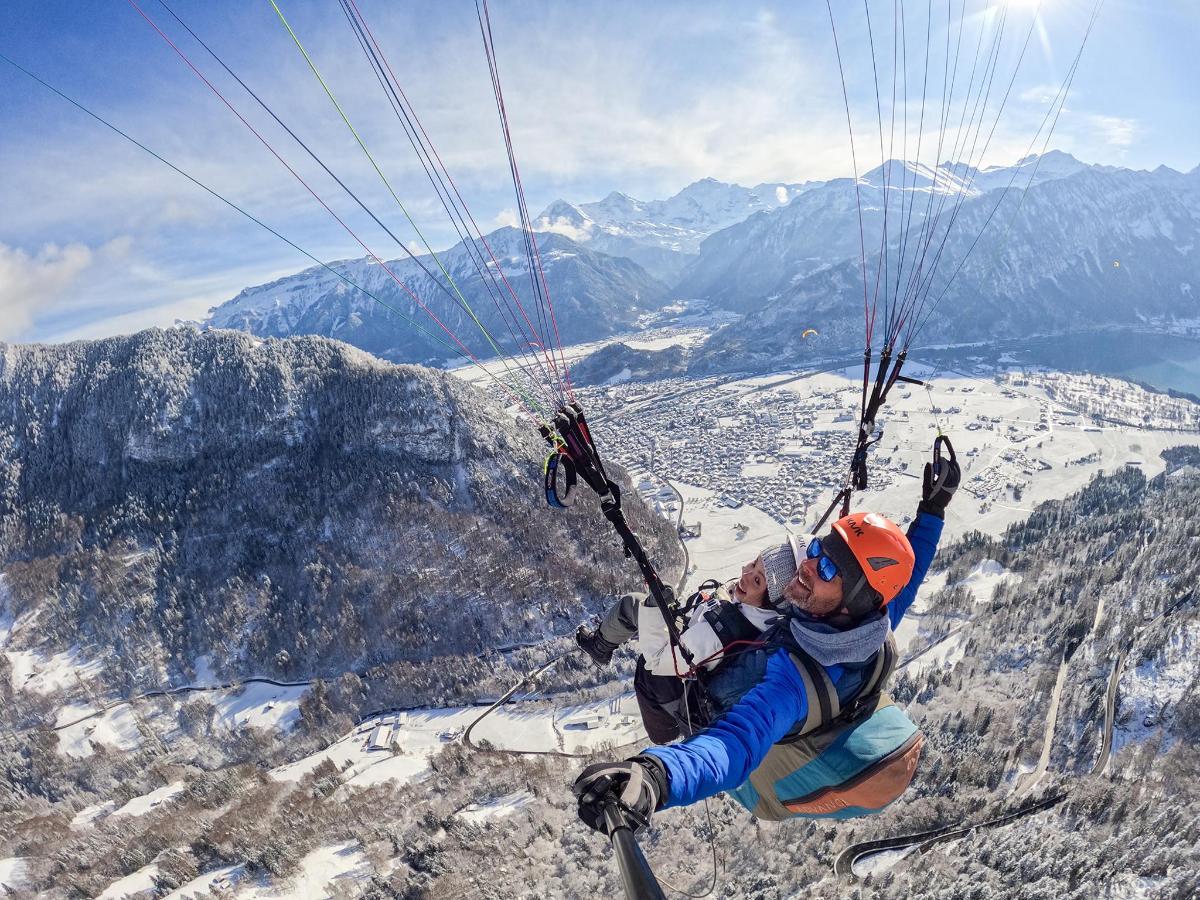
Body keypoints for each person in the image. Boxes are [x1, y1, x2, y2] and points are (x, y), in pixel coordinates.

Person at [572, 448, 960, 832]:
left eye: (827, 568)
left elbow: (736, 744)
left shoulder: (795, 679)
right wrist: (934, 510)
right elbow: (906, 584)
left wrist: (657, 776)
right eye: (816, 550)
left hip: (721, 734)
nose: (807, 566)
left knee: (650, 675)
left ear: (855, 600)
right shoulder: (872, 625)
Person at [574, 544, 798, 743]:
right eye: (753, 564)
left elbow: (658, 661)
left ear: (770, 600)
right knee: (637, 606)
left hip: (681, 691)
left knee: (634, 609)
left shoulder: (720, 633)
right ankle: (600, 646)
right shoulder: (769, 618)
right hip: (695, 656)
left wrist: (654, 607)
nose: (746, 574)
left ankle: (600, 649)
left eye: (757, 580)